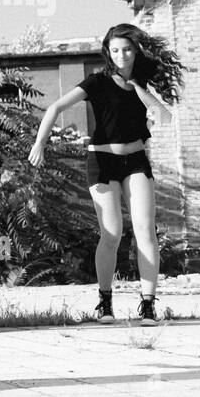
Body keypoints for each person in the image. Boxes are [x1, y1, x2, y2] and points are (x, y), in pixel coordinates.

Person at [29, 23, 183, 326]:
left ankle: (148, 304)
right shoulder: (97, 82)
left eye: (127, 49)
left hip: (136, 161)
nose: (122, 55)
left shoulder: (142, 83)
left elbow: (164, 117)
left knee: (145, 231)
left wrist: (142, 94)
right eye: (115, 50)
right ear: (108, 53)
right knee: (111, 234)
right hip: (102, 161)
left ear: (136, 50)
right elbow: (56, 107)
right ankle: (105, 300)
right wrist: (40, 143)